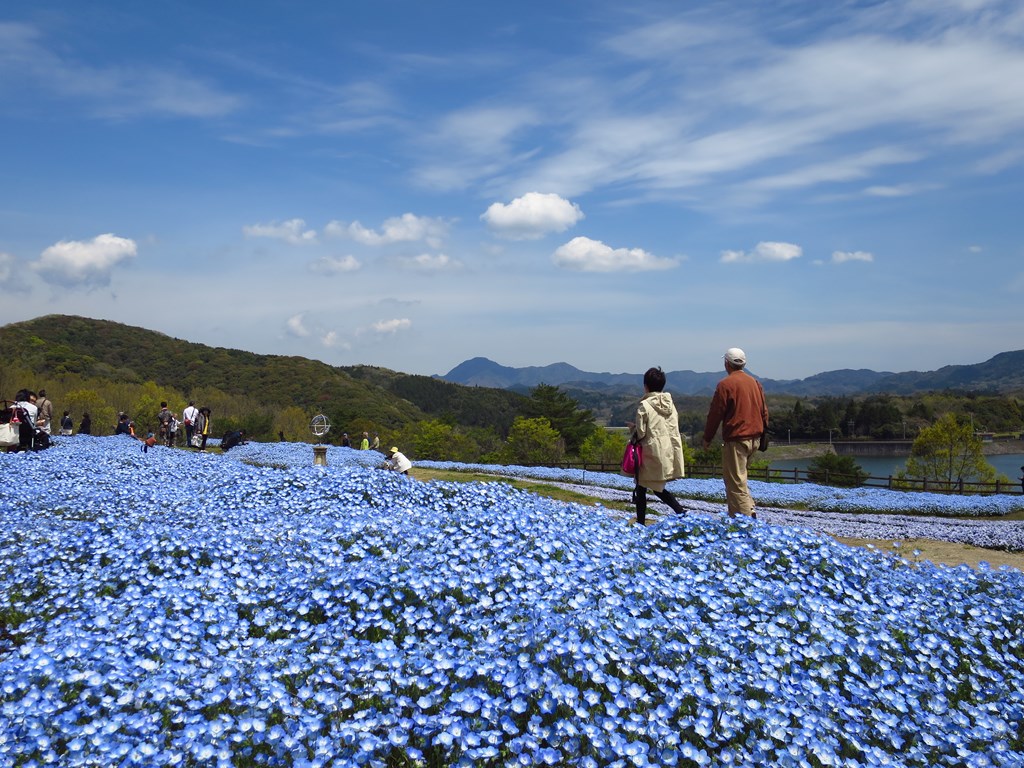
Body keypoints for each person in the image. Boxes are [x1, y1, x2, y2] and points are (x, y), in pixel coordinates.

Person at [702, 347, 769, 519]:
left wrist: (707, 438)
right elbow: (764, 411)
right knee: (741, 479)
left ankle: (743, 520)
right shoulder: (755, 383)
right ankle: (750, 508)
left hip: (737, 439)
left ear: (727, 363)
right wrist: (764, 434)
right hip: (755, 437)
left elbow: (715, 414)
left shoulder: (725, 384)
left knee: (734, 483)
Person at [626, 367, 687, 524]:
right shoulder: (670, 404)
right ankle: (679, 512)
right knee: (654, 485)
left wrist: (632, 429)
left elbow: (641, 433)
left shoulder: (644, 406)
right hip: (668, 450)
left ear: (645, 385)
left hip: (650, 452)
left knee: (644, 487)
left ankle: (642, 522)